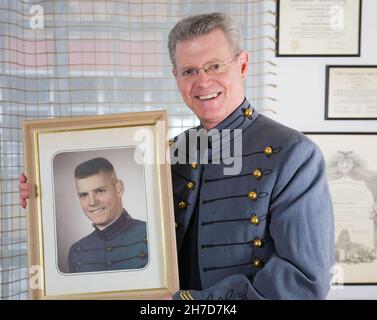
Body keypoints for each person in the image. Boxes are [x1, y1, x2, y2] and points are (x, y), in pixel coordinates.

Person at [20, 12, 334, 299]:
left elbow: (303, 282)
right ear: (176, 78)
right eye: (189, 71)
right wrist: (41, 195)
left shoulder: (293, 155)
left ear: (242, 64)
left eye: (214, 66)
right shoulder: (170, 153)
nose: (203, 81)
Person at [65, 157, 147, 273]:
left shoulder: (151, 234)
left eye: (100, 191)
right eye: (84, 195)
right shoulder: (76, 251)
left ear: (119, 188)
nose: (92, 202)